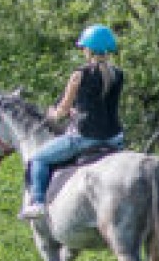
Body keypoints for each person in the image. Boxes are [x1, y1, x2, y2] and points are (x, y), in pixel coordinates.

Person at [18, 24, 126, 220]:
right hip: (114, 138)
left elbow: (62, 111)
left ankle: (38, 202)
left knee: (38, 159)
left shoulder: (79, 74)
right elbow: (99, 102)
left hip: (85, 136)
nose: (83, 50)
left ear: (90, 49)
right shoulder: (118, 74)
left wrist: (53, 114)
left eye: (84, 47)